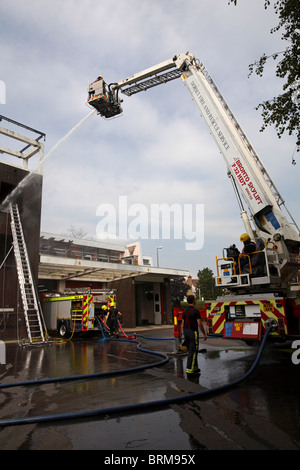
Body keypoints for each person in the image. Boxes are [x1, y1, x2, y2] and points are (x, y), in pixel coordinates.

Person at [182, 295, 207, 376]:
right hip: (193, 332)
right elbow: (199, 324)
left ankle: (195, 368)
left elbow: (182, 323)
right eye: (195, 300)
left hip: (186, 332)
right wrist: (204, 333)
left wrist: (183, 334)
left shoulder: (184, 311)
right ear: (193, 301)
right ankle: (190, 371)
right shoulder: (195, 311)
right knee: (193, 351)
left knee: (192, 350)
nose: (195, 301)